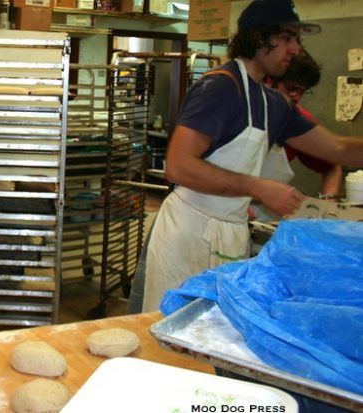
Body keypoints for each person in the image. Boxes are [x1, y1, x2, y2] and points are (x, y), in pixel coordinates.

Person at [142, 0, 363, 313]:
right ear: (260, 38)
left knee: (212, 334)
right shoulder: (220, 88)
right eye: (287, 38)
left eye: (296, 40)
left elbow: (337, 149)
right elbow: (178, 166)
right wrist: (259, 188)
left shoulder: (273, 104)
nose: (296, 49)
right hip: (189, 232)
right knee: (172, 331)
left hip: (231, 232)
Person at [251, 48, 343, 221]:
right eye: (292, 88)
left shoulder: (298, 122)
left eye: (302, 91)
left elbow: (332, 167)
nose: (297, 97)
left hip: (264, 218)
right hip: (217, 211)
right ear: (269, 81)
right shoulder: (239, 111)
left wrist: (327, 208)